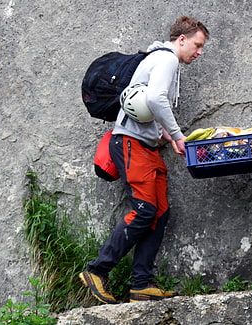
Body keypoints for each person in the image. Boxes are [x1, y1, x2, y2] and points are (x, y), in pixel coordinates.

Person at [79, 16, 209, 303]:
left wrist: (165, 136)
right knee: (145, 211)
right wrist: (177, 136)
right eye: (198, 45)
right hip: (130, 144)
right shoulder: (167, 59)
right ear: (182, 39)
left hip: (146, 147)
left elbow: (151, 105)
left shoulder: (161, 61)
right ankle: (97, 271)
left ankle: (141, 283)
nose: (199, 52)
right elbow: (156, 99)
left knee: (159, 213)